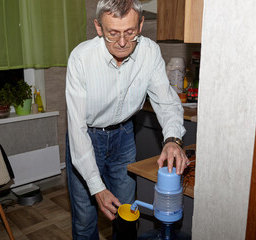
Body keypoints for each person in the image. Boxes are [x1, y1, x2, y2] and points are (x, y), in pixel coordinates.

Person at [65, 0, 189, 238]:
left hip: (123, 136)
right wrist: (97, 188)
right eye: (113, 33)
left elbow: (166, 101)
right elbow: (77, 128)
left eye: (130, 32)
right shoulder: (81, 59)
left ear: (141, 24)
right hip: (86, 137)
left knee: (127, 213)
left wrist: (173, 139)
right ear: (99, 28)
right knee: (85, 219)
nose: (122, 42)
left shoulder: (150, 52)